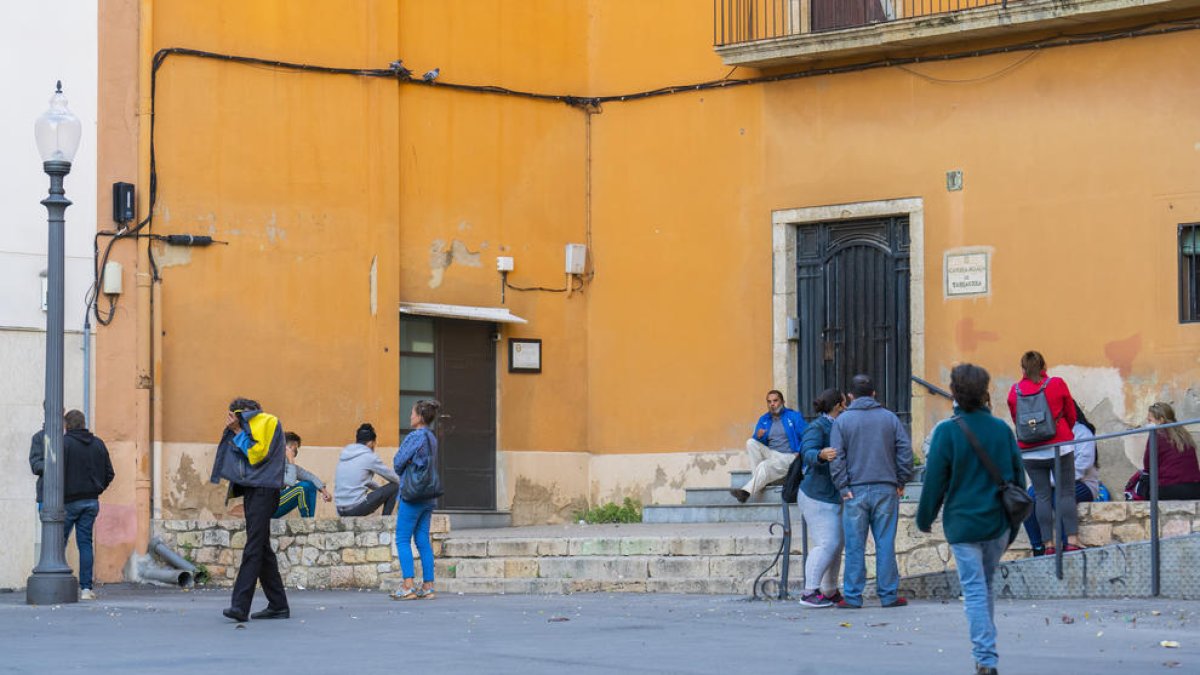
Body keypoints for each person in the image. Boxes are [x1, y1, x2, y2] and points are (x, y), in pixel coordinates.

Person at [917, 363, 1025, 675]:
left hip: (963, 525)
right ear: (984, 392)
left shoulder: (947, 432)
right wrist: (1012, 526)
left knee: (975, 589)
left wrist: (925, 518)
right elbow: (1019, 479)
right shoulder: (1002, 430)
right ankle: (985, 656)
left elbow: (934, 481)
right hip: (996, 524)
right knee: (985, 585)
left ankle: (986, 659)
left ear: (954, 392)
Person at [830, 374, 914, 609]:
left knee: (855, 544)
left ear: (850, 396)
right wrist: (901, 480)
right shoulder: (890, 419)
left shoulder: (842, 421)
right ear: (874, 394)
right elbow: (904, 451)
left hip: (854, 490)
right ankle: (888, 595)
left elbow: (837, 457)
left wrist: (842, 485)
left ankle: (854, 596)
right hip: (886, 487)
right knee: (885, 542)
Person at [210, 397, 290, 622]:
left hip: (263, 490)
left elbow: (257, 455)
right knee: (262, 548)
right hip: (257, 490)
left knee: (254, 547)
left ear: (245, 412)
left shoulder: (265, 422)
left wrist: (237, 430)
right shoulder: (259, 423)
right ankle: (279, 605)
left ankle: (240, 606)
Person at [1005, 351, 1081, 554]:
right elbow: (1071, 413)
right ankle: (1072, 541)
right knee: (1066, 493)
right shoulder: (1057, 383)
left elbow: (1016, 419)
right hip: (1060, 447)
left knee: (1041, 496)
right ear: (1044, 366)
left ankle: (1048, 545)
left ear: (1022, 369)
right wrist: (1063, 431)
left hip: (1030, 451)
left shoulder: (1015, 391)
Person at [1023, 400, 1100, 555]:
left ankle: (1067, 546)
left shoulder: (1082, 432)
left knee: (1060, 498)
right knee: (1029, 500)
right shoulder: (1048, 433)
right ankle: (1039, 547)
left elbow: (1081, 468)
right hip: (1052, 484)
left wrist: (1051, 482)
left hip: (1082, 483)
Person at [797, 388, 846, 608]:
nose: (846, 407)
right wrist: (820, 454)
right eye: (844, 403)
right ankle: (809, 592)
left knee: (837, 544)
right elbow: (806, 451)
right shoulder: (817, 426)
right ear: (838, 405)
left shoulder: (839, 424)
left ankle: (829, 590)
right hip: (816, 495)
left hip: (832, 495)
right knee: (828, 543)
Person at [390, 400, 442, 600]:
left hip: (412, 494)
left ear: (420, 416)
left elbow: (397, 462)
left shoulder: (414, 437)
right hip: (429, 495)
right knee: (422, 540)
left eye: (412, 413)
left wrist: (409, 462)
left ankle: (408, 586)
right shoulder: (432, 438)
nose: (409, 416)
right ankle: (428, 586)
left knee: (402, 539)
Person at [62, 410, 115, 601]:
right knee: (85, 543)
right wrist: (97, 489)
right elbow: (110, 473)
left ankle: (58, 583)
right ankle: (86, 589)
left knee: (58, 543)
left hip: (68, 501)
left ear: (67, 425)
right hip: (91, 501)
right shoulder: (98, 444)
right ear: (84, 423)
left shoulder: (64, 444)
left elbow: (58, 472)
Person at [729, 390, 807, 503]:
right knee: (750, 442)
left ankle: (746, 491)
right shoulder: (764, 419)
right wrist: (758, 437)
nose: (772, 404)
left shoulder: (794, 416)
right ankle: (760, 481)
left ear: (783, 402)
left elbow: (807, 435)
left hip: (790, 457)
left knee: (764, 465)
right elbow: (757, 444)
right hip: (772, 455)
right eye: (769, 402)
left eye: (775, 401)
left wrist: (799, 452)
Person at [335, 423, 400, 516]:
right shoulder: (368, 456)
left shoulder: (345, 454)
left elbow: (362, 482)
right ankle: (385, 522)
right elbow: (394, 478)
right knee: (395, 486)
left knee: (388, 489)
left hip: (340, 510)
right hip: (355, 509)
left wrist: (380, 492)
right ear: (371, 443)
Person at [1143, 402, 1200, 500]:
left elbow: (1148, 466)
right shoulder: (1184, 434)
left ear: (1161, 420)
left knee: (1144, 489)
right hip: (1195, 488)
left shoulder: (1156, 435)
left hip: (1170, 488)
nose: (1147, 423)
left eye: (1149, 420)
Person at [273, 431, 331, 518]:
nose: (295, 451)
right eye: (294, 448)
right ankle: (306, 523)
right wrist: (291, 460)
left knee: (310, 485)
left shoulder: (288, 465)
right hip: (268, 507)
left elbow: (310, 477)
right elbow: (290, 482)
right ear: (286, 448)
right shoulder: (273, 464)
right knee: (302, 488)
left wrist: (324, 491)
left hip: (278, 503)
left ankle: (309, 519)